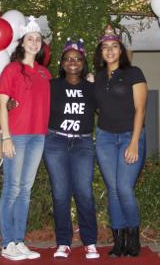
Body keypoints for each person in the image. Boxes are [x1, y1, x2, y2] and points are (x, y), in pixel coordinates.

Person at [0, 16, 51, 261]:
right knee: (12, 189)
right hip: (16, 136)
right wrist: (5, 136)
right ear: (22, 43)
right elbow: (1, 103)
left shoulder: (44, 73)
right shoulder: (11, 69)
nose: (34, 42)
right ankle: (7, 243)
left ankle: (19, 241)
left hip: (38, 136)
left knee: (26, 190)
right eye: (30, 38)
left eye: (38, 39)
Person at [93, 25, 147, 257]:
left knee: (124, 188)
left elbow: (141, 109)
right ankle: (119, 241)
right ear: (101, 52)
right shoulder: (96, 77)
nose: (110, 51)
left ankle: (133, 238)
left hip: (129, 136)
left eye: (114, 46)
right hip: (104, 137)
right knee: (113, 190)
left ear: (121, 50)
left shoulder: (134, 73)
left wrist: (134, 142)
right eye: (105, 47)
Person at [43, 39, 100, 260]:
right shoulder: (52, 85)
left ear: (83, 62)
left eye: (77, 59)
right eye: (68, 59)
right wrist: (12, 104)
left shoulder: (91, 88)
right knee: (60, 194)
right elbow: (34, 102)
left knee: (84, 193)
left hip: (83, 144)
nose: (72, 62)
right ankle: (64, 242)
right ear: (62, 63)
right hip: (56, 142)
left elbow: (109, 105)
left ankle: (90, 241)